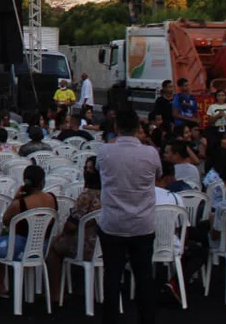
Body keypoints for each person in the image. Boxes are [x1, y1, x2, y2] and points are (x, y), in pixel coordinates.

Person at [95, 109, 160, 324]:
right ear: (138, 129)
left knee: (112, 276)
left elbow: (98, 171)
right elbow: (158, 174)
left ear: (116, 128)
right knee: (144, 277)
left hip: (113, 223)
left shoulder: (105, 151)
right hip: (142, 223)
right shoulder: (151, 153)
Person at [47, 165, 103, 296]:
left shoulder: (86, 196)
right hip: (104, 245)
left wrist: (62, 233)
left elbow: (71, 226)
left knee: (53, 249)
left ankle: (54, 293)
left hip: (86, 245)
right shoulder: (110, 194)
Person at [0, 165, 58, 273]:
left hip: (21, 249)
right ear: (42, 182)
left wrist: (15, 198)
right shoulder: (52, 198)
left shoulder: (19, 203)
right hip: (43, 249)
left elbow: (5, 221)